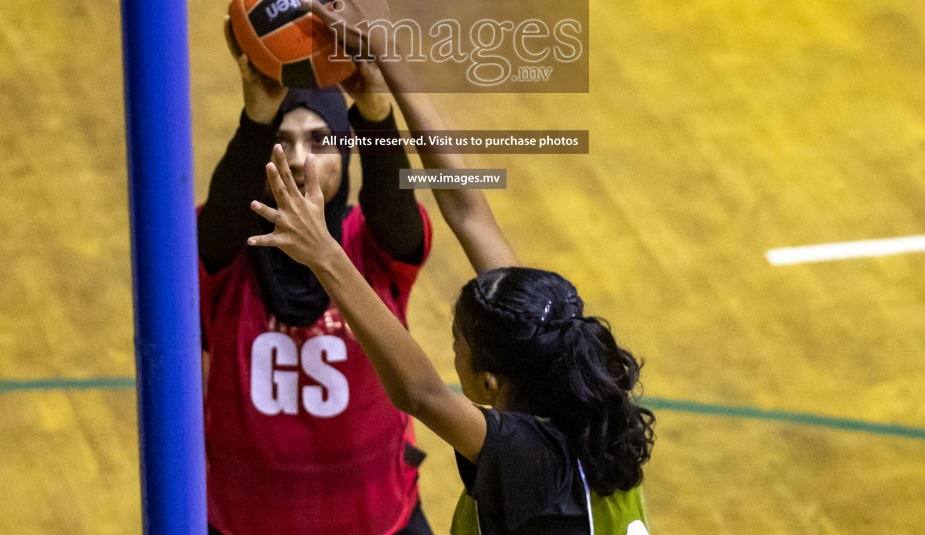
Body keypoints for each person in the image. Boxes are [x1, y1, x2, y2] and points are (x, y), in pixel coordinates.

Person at [200, 0, 516, 535]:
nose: (298, 159)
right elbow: (219, 218)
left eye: (320, 141)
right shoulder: (228, 250)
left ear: (348, 157)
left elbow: (398, 205)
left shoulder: (372, 246)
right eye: (283, 140)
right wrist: (254, 116)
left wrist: (374, 113)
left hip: (381, 522)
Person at [252, 150, 657, 535]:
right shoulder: (584, 398)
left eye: (456, 344)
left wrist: (324, 254)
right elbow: (470, 214)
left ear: (489, 383)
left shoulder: (530, 462)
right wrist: (397, 81)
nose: (452, 350)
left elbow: (421, 394)